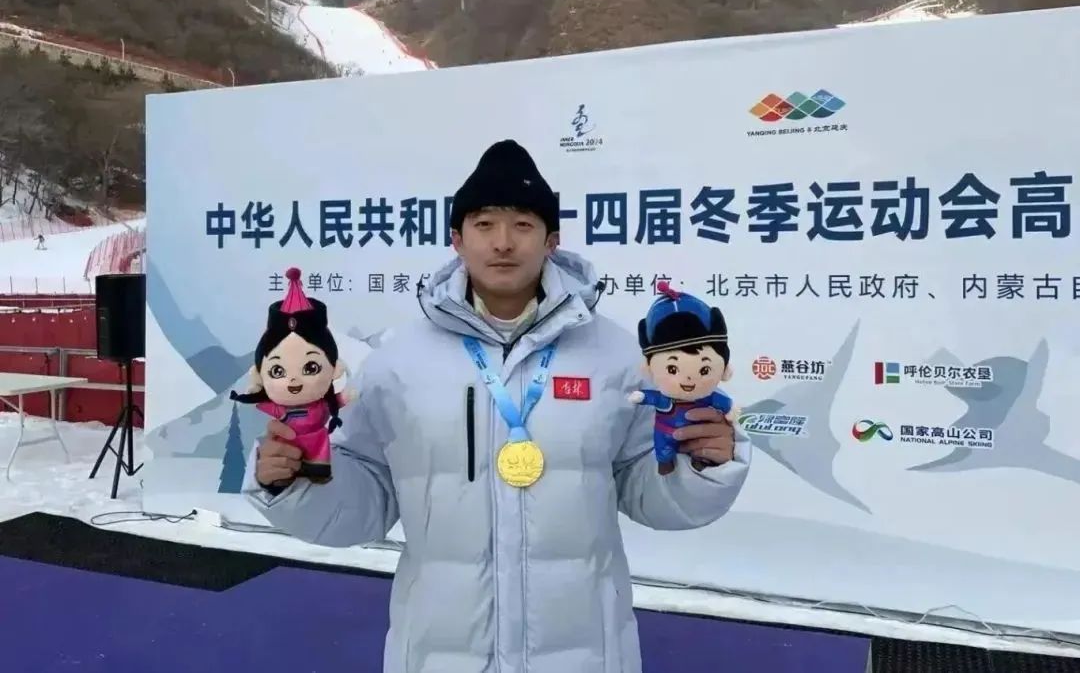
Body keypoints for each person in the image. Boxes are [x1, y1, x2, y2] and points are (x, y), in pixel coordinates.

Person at [242, 139, 752, 673]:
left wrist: (700, 465)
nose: (503, 242)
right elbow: (364, 504)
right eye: (484, 224)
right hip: (441, 655)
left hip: (583, 653)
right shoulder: (399, 362)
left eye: (523, 225)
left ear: (551, 240)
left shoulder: (615, 355)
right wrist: (296, 482)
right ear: (456, 239)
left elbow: (649, 491)